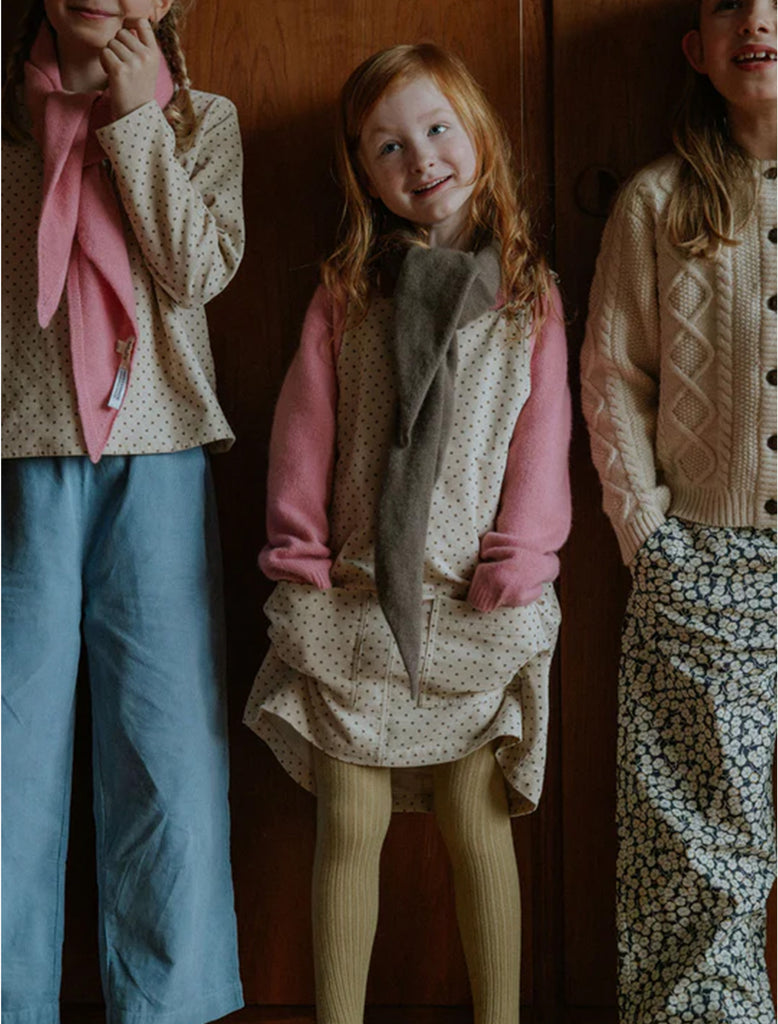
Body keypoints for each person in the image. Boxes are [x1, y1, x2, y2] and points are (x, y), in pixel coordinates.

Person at [243, 43, 571, 1024]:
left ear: (474, 134)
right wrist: (296, 552)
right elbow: (302, 432)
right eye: (387, 146)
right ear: (362, 172)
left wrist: (526, 550)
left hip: (472, 595)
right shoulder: (348, 293)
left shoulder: (528, 296)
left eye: (435, 130)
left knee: (476, 817)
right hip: (354, 596)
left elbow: (543, 438)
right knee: (350, 813)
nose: (418, 157)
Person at [1, 2, 245, 1022]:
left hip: (161, 453)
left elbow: (198, 271)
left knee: (169, 754)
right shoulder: (9, 128)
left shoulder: (203, 120)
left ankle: (169, 1004)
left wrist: (134, 119)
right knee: (8, 760)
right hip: (18, 453)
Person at [580, 0, 776, 1021]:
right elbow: (613, 373)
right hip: (706, 562)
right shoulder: (656, 205)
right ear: (695, 47)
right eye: (726, 3)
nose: (756, 19)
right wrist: (648, 536)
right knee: (699, 857)